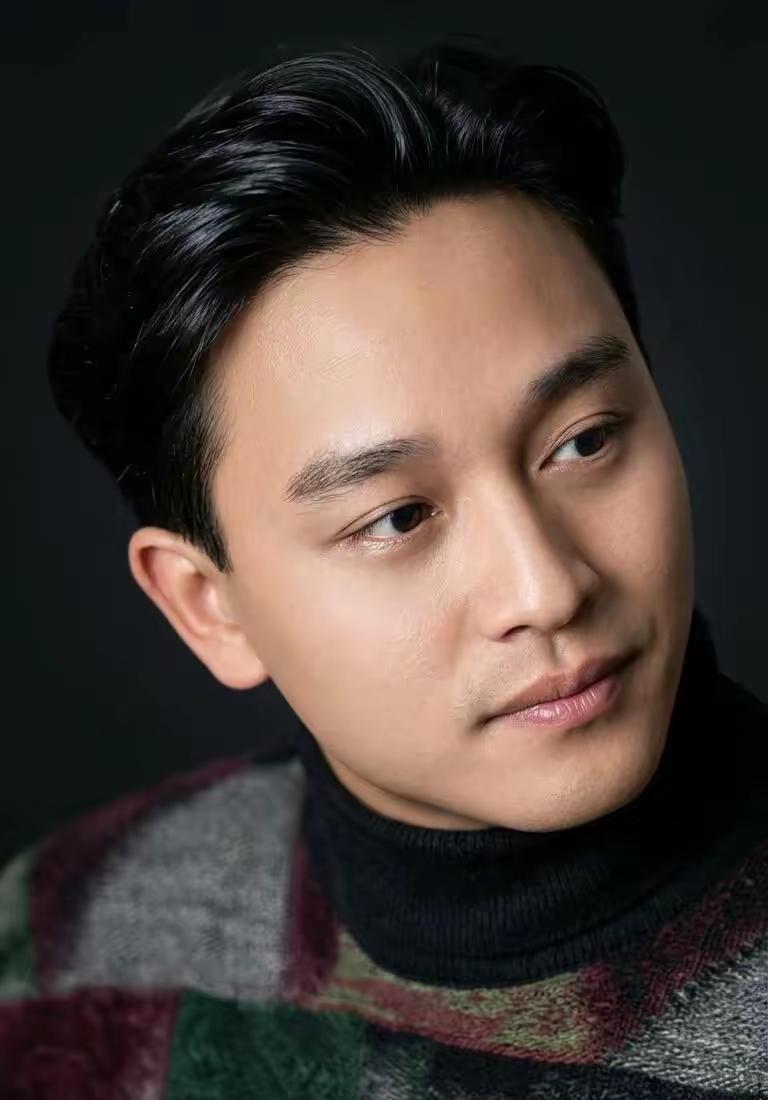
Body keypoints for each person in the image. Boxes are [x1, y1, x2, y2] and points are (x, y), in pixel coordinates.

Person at [1, 34, 766, 1098]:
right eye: (398, 516)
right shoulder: (67, 946)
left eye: (585, 441)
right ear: (209, 607)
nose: (547, 588)